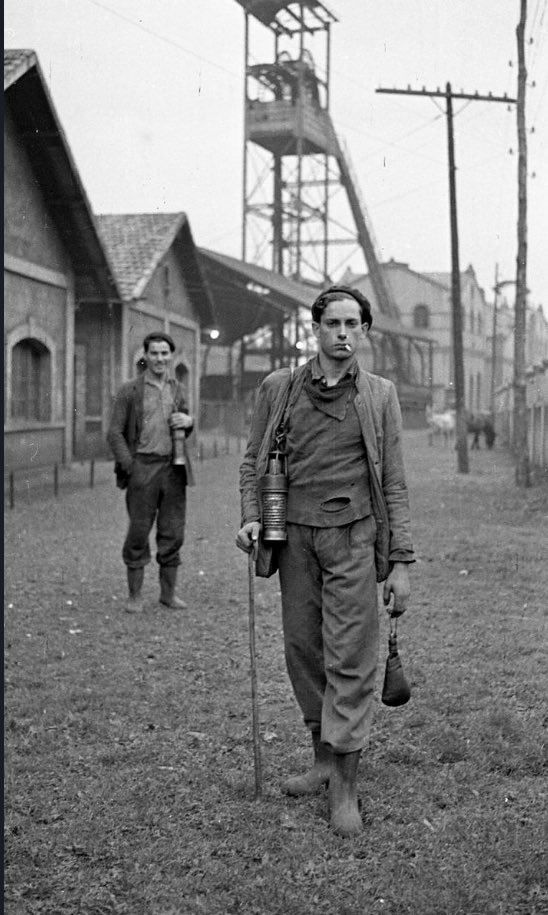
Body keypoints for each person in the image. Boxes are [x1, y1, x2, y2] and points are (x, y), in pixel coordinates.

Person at [236, 285, 414, 837]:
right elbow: (252, 463)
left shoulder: (379, 394)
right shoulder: (280, 389)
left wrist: (401, 561)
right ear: (315, 328)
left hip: (355, 537)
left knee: (352, 657)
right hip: (293, 538)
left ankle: (345, 786)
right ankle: (320, 758)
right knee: (301, 648)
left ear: (364, 331)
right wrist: (250, 517)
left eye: (352, 324)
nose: (342, 333)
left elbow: (395, 482)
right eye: (332, 323)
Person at [107, 331, 194, 613]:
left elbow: (185, 424)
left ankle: (168, 595)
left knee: (173, 532)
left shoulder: (177, 388)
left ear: (171, 356)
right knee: (138, 532)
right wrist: (130, 466)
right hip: (142, 468)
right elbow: (114, 433)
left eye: (164, 353)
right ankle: (134, 597)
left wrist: (188, 420)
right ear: (145, 356)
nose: (159, 358)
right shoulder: (129, 390)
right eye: (154, 353)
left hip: (173, 470)